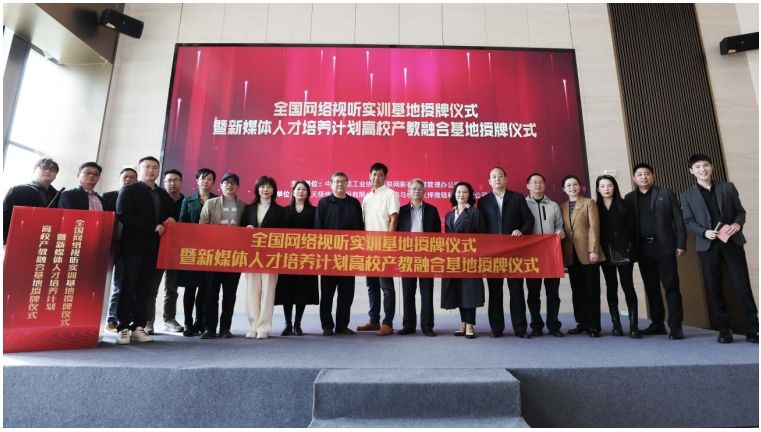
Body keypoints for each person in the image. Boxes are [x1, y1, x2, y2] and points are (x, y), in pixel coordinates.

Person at [681, 154, 758, 343]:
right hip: (708, 246)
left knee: (742, 285)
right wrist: (703, 232)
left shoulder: (727, 187)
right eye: (697, 167)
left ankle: (753, 329)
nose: (702, 169)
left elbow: (740, 212)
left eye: (705, 165)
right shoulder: (687, 195)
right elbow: (688, 221)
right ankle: (724, 330)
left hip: (732, 243)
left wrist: (737, 225)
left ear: (711, 167)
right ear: (691, 171)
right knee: (714, 287)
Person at [114, 156, 174, 345]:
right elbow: (123, 215)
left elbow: (168, 216)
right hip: (133, 247)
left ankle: (138, 326)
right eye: (147, 167)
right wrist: (151, 227)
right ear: (139, 170)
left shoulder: (163, 194)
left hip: (154, 248)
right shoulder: (130, 190)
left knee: (145, 289)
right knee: (128, 287)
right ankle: (123, 327)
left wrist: (170, 220)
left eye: (155, 167)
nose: (151, 170)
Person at [624, 163, 686, 340]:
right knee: (651, 288)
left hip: (664, 247)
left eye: (647, 174)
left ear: (653, 176)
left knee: (671, 287)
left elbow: (678, 220)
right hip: (643, 249)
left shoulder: (666, 193)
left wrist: (681, 243)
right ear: (634, 179)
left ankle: (676, 326)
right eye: (639, 174)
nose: (643, 177)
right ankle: (657, 324)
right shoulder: (629, 198)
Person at [476, 166, 534, 338]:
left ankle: (520, 328)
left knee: (517, 291)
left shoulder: (517, 197)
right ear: (489, 181)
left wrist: (521, 231)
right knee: (495, 292)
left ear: (506, 179)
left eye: (500, 176)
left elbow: (529, 220)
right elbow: (480, 226)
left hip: (514, 252)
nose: (497, 179)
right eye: (494, 176)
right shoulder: (483, 201)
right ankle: (496, 328)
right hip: (493, 254)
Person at [314, 172, 364, 336]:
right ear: (331, 184)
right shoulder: (323, 203)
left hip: (349, 257)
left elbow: (360, 230)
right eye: (336, 181)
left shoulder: (354, 203)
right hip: (328, 257)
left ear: (347, 184)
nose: (340, 184)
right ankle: (327, 326)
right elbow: (318, 230)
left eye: (343, 181)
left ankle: (342, 325)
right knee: (327, 294)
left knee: (346, 293)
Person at [198, 172, 246, 339]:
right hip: (214, 255)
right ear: (220, 186)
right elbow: (202, 225)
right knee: (211, 293)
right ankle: (209, 328)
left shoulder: (244, 206)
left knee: (230, 294)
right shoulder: (210, 203)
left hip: (234, 256)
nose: (229, 185)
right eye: (226, 182)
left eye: (233, 183)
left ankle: (225, 328)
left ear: (237, 187)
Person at [357, 162, 400, 336]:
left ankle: (387, 323)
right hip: (369, 248)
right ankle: (374, 320)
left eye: (380, 174)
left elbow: (394, 219)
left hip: (384, 248)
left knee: (386, 287)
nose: (377, 177)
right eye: (374, 174)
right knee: (372, 285)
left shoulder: (390, 194)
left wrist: (388, 244)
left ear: (385, 177)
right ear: (369, 176)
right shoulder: (367, 197)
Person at [560, 175, 606, 338]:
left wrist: (593, 250)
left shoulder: (589, 203)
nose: (572, 187)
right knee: (577, 291)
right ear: (564, 189)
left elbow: (594, 228)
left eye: (575, 184)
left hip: (588, 253)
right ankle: (582, 323)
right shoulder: (562, 207)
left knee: (591, 290)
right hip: (571, 255)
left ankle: (594, 326)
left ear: (580, 186)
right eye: (568, 185)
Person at [596, 175, 640, 338]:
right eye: (602, 186)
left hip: (624, 251)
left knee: (628, 286)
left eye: (609, 185)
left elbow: (633, 229)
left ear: (614, 187)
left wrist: (631, 249)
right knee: (611, 287)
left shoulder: (624, 204)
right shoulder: (595, 206)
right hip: (605, 252)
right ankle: (616, 325)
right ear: (598, 189)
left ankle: (634, 325)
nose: (606, 189)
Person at [397, 178, 441, 337]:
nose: (417, 191)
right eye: (414, 189)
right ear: (408, 191)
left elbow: (437, 235)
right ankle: (408, 325)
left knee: (426, 292)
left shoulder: (432, 210)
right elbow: (396, 235)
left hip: (426, 256)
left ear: (424, 192)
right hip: (407, 256)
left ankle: (427, 326)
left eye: (420, 189)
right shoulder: (401, 211)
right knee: (408, 292)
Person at [274, 181, 319, 336]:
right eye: (298, 189)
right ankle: (288, 324)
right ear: (293, 191)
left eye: (304, 189)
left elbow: (318, 232)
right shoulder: (284, 211)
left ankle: (297, 324)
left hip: (306, 256)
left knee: (302, 290)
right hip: (287, 256)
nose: (301, 191)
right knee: (287, 290)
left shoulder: (314, 211)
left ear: (308, 193)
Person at [441, 182, 485, 339]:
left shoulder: (475, 213)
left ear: (469, 195)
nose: (461, 195)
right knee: (458, 291)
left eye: (465, 192)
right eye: (458, 192)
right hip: (454, 259)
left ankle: (470, 324)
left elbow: (482, 237)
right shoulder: (449, 214)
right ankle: (463, 323)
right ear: (454, 194)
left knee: (470, 292)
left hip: (470, 259)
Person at [242, 175, 284, 340]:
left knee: (268, 291)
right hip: (252, 255)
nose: (265, 189)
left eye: (269, 187)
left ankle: (264, 327)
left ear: (274, 190)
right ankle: (253, 326)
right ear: (257, 189)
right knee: (252, 291)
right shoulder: (248, 209)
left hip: (271, 256)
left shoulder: (280, 210)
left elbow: (284, 233)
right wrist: (246, 229)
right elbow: (240, 230)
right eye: (262, 186)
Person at [524, 173, 565, 337]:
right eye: (534, 182)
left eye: (540, 182)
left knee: (553, 293)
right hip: (532, 256)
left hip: (551, 255)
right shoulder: (523, 205)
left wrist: (559, 232)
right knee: (533, 293)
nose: (538, 185)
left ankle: (553, 325)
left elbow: (559, 226)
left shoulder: (554, 205)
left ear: (544, 185)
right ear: (528, 186)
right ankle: (536, 325)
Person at [145, 169, 185, 334]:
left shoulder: (186, 201)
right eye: (169, 180)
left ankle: (169, 319)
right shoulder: (158, 198)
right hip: (156, 248)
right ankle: (148, 321)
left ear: (181, 182)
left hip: (177, 250)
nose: (172, 183)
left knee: (172, 287)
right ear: (163, 182)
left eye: (176, 180)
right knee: (151, 287)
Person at [178, 168, 217, 336]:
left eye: (209, 179)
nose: (206, 181)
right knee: (190, 288)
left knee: (205, 289)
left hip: (210, 250)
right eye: (203, 178)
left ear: (213, 182)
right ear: (197, 181)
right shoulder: (188, 200)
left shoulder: (218, 200)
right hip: (192, 250)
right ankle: (187, 323)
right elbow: (182, 223)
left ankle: (200, 322)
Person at [101, 167, 137, 333]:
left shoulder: (137, 200)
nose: (128, 179)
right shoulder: (108, 197)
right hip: (106, 246)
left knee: (119, 284)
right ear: (119, 179)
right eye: (125, 177)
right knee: (100, 284)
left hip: (126, 247)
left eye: (132, 177)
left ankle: (112, 319)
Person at [3, 158, 60, 244]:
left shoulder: (58, 195)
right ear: (34, 171)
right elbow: (4, 216)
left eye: (52, 169)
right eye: (44, 168)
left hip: (45, 241)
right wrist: (5, 241)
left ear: (55, 175)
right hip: (17, 240)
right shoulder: (18, 190)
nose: (48, 171)